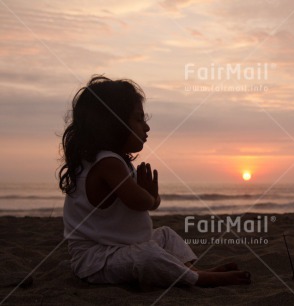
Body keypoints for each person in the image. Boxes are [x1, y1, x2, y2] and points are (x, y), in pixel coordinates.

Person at [59, 75, 251, 288]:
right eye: (139, 120)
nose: (147, 128)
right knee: (147, 255)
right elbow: (139, 202)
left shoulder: (111, 161)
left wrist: (152, 196)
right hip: (96, 259)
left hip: (120, 247)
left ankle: (191, 270)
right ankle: (199, 279)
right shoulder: (107, 163)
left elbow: (145, 202)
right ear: (113, 124)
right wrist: (150, 195)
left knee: (166, 235)